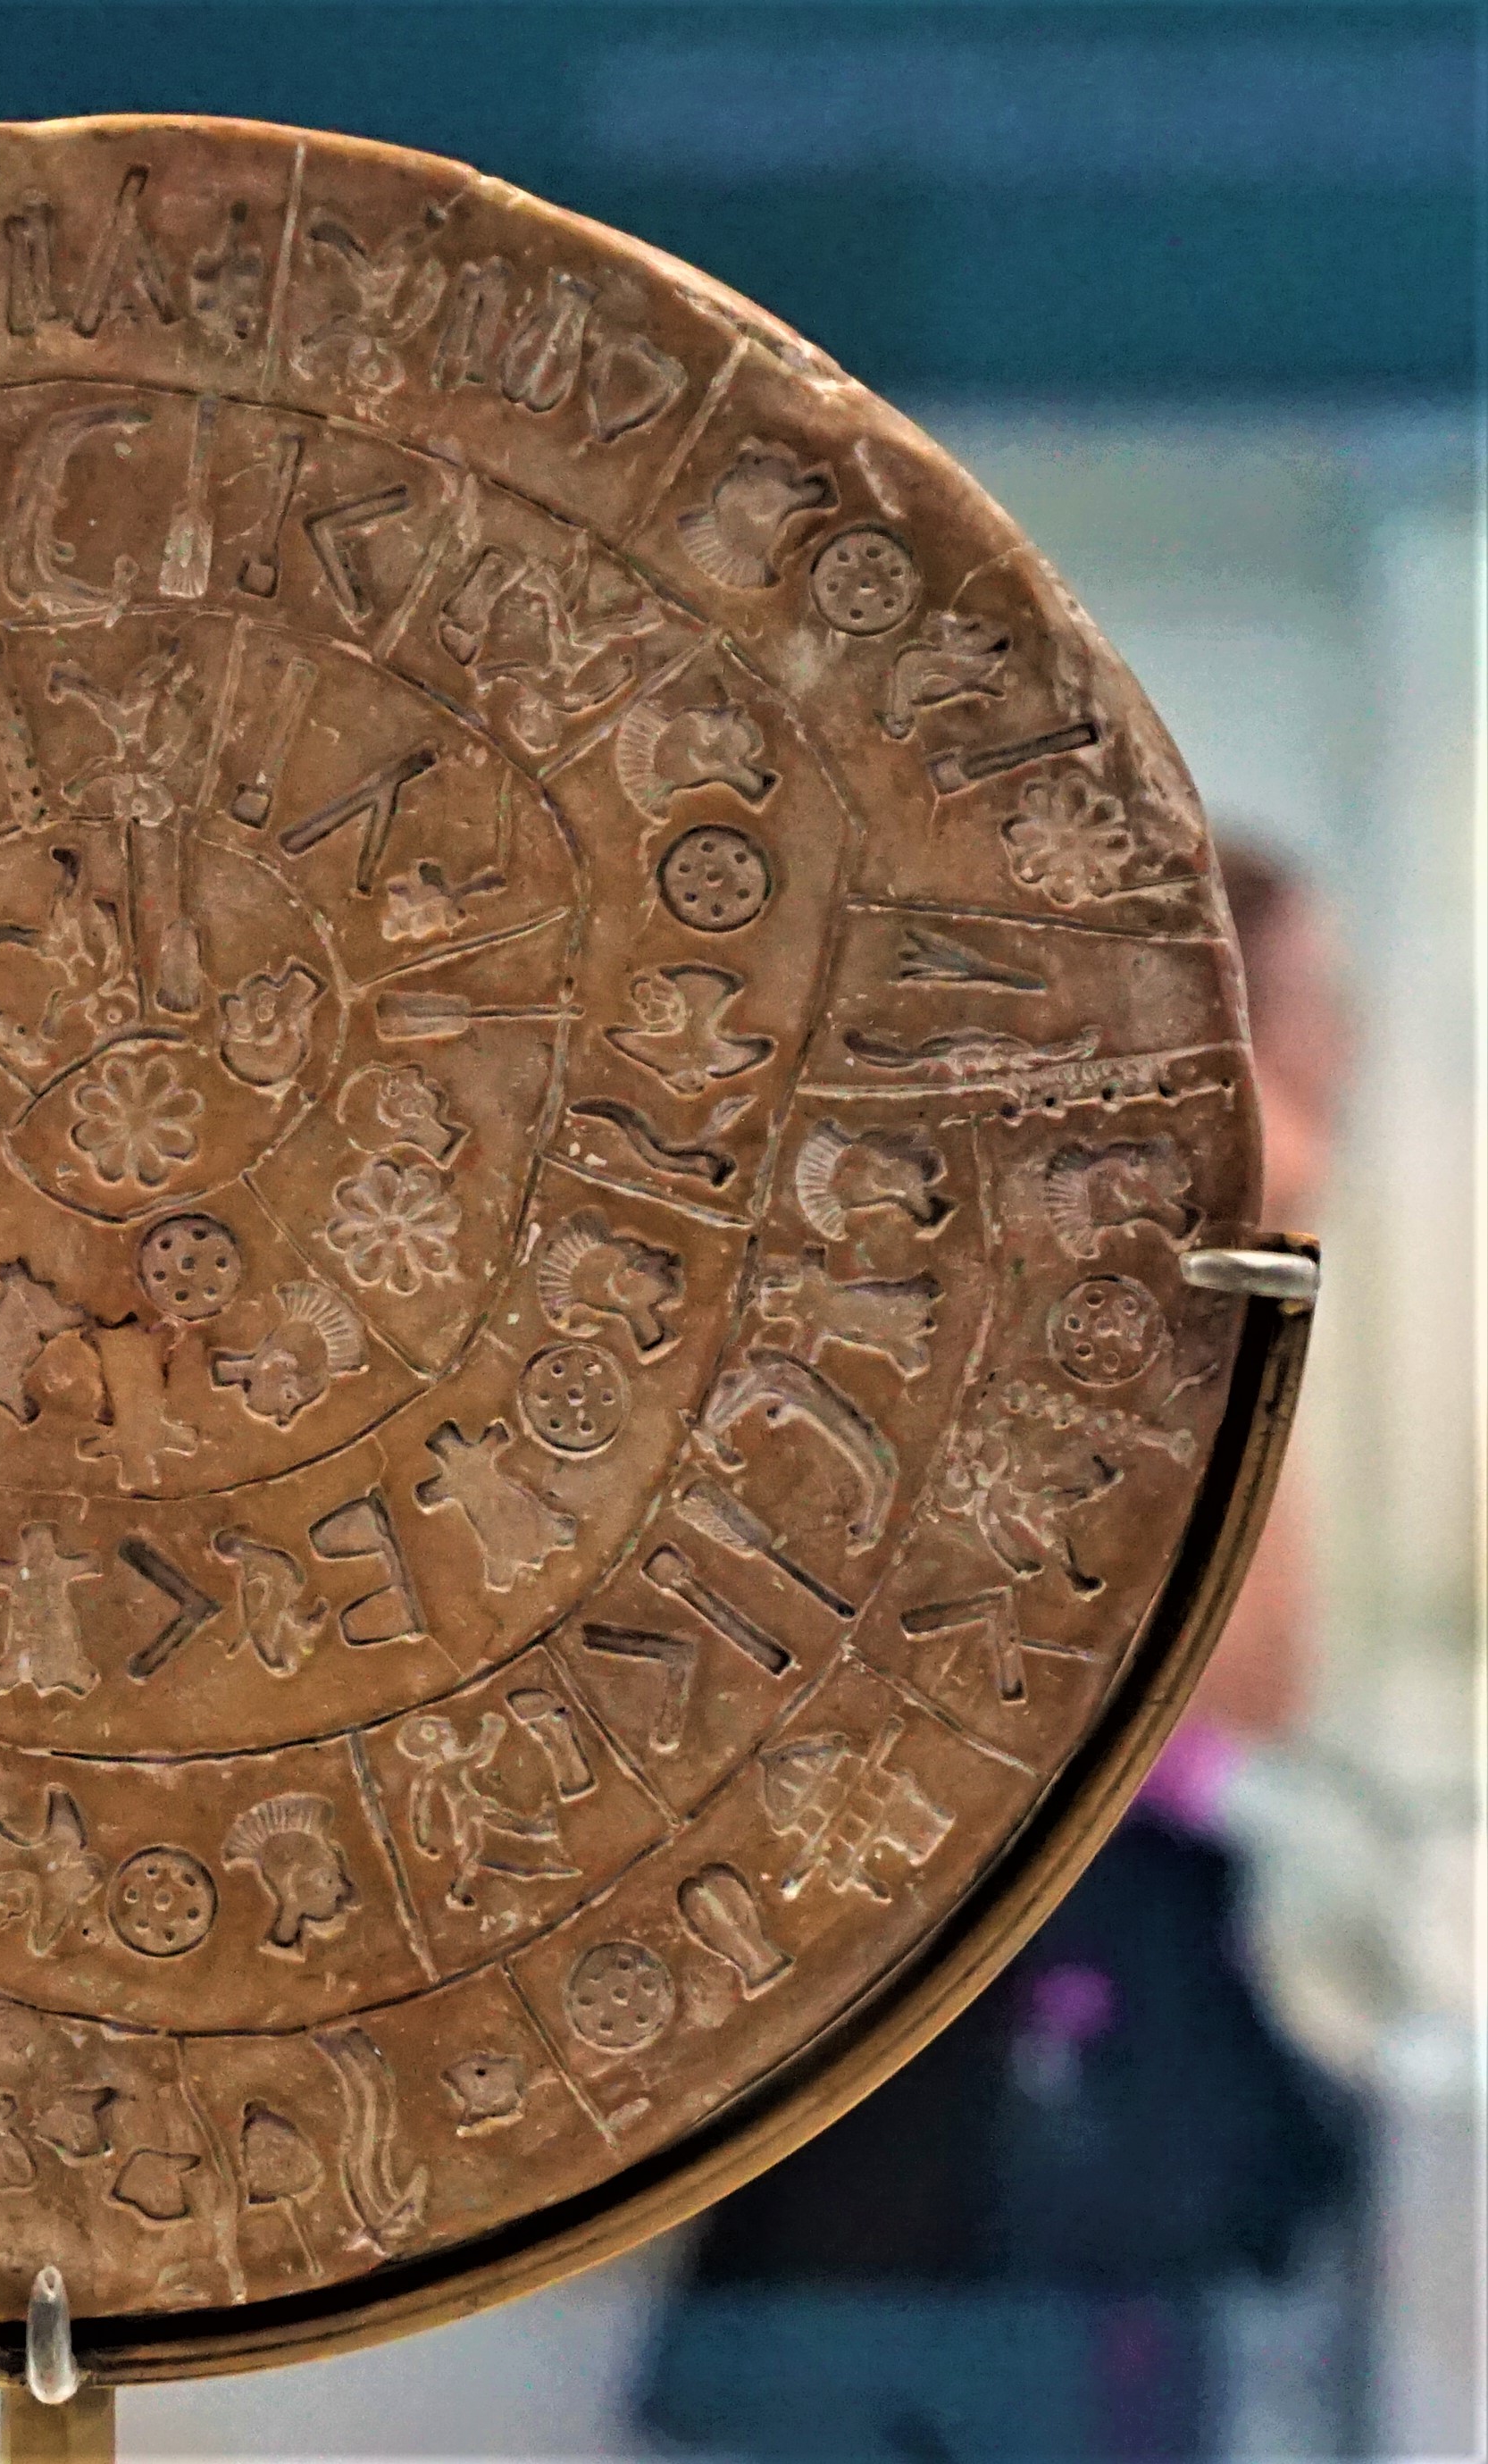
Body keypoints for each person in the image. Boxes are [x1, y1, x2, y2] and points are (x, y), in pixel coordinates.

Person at [637, 837, 1360, 2462]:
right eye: (1311, 1002)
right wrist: (1256, 1278)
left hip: (956, 2107)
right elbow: (1252, 1677)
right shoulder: (1072, 1315)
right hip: (987, 2125)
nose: (1346, 1041)